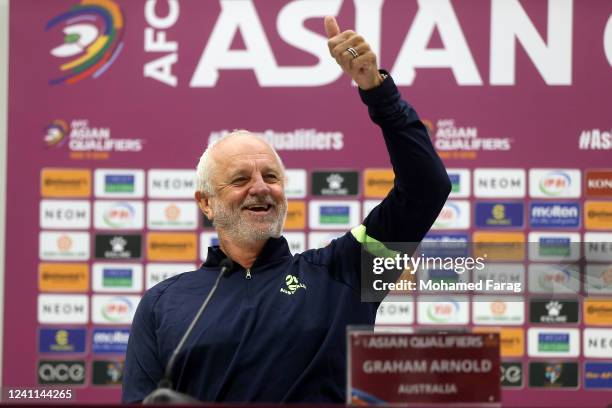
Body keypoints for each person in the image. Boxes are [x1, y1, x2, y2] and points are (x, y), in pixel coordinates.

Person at [122, 16, 451, 403]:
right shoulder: (164, 303)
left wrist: (377, 91)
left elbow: (426, 189)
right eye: (241, 179)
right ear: (205, 202)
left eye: (271, 177)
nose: (260, 187)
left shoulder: (344, 272)